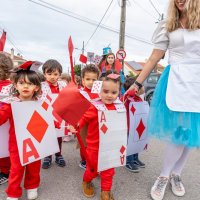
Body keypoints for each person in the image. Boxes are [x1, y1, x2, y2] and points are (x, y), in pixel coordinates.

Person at [128, 0, 200, 199]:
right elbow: (154, 57)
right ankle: (163, 176)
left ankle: (176, 174)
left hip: (198, 82)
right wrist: (137, 83)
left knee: (192, 133)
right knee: (180, 131)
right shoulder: (168, 24)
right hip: (176, 80)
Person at [70, 72, 123, 200]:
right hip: (94, 147)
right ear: (99, 91)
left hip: (111, 146)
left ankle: (106, 191)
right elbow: (83, 119)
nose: (109, 95)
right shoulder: (94, 106)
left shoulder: (119, 107)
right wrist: (75, 126)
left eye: (113, 93)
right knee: (92, 170)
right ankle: (86, 180)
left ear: (118, 93)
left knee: (108, 171)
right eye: (106, 91)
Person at [0, 63, 41, 200]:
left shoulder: (40, 103)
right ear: (15, 85)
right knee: (16, 169)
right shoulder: (10, 103)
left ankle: (32, 186)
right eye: (22, 83)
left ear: (36, 87)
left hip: (36, 141)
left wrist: (59, 124)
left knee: (34, 167)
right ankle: (13, 192)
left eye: (29, 84)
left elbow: (50, 118)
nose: (25, 86)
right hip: (16, 144)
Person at [41, 59, 67, 169]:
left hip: (59, 115)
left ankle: (58, 154)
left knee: (58, 136)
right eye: (49, 73)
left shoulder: (63, 85)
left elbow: (68, 98)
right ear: (44, 74)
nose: (52, 76)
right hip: (46, 115)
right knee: (47, 136)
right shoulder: (41, 86)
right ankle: (47, 156)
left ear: (60, 74)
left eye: (55, 74)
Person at [78, 64, 100, 170]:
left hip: (96, 123)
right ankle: (84, 160)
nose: (91, 82)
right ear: (83, 80)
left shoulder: (100, 93)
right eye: (88, 79)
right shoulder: (80, 93)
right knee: (84, 142)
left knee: (95, 143)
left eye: (94, 79)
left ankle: (93, 159)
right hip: (84, 122)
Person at [123, 77, 145, 173]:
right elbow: (123, 98)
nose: (143, 87)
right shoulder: (128, 98)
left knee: (137, 143)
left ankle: (135, 158)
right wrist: (130, 92)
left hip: (137, 126)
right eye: (142, 86)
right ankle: (129, 161)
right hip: (129, 126)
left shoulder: (138, 99)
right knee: (130, 145)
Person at [0, 53, 13, 185]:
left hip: (5, 123)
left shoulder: (8, 87)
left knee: (4, 148)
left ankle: (5, 171)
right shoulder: (12, 85)